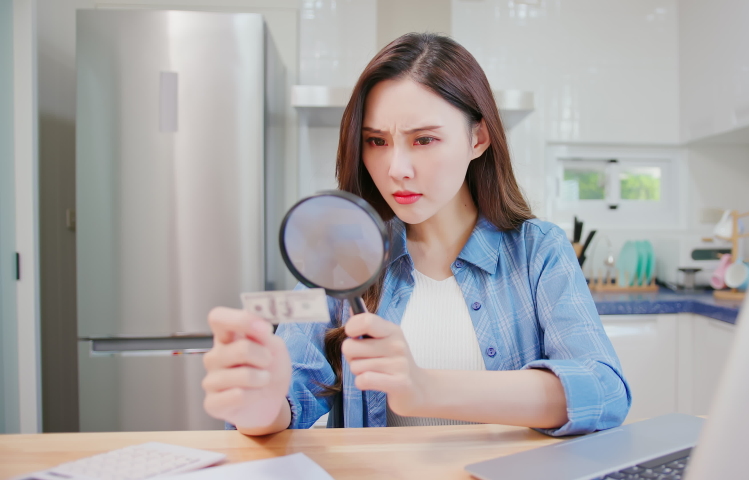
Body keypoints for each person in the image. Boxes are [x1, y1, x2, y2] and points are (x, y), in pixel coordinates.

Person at [201, 33, 630, 437]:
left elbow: (605, 392)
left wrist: (425, 388)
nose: (396, 169)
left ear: (478, 137)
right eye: (376, 141)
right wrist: (259, 401)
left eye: (423, 139)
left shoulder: (538, 251)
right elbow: (283, 406)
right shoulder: (342, 257)